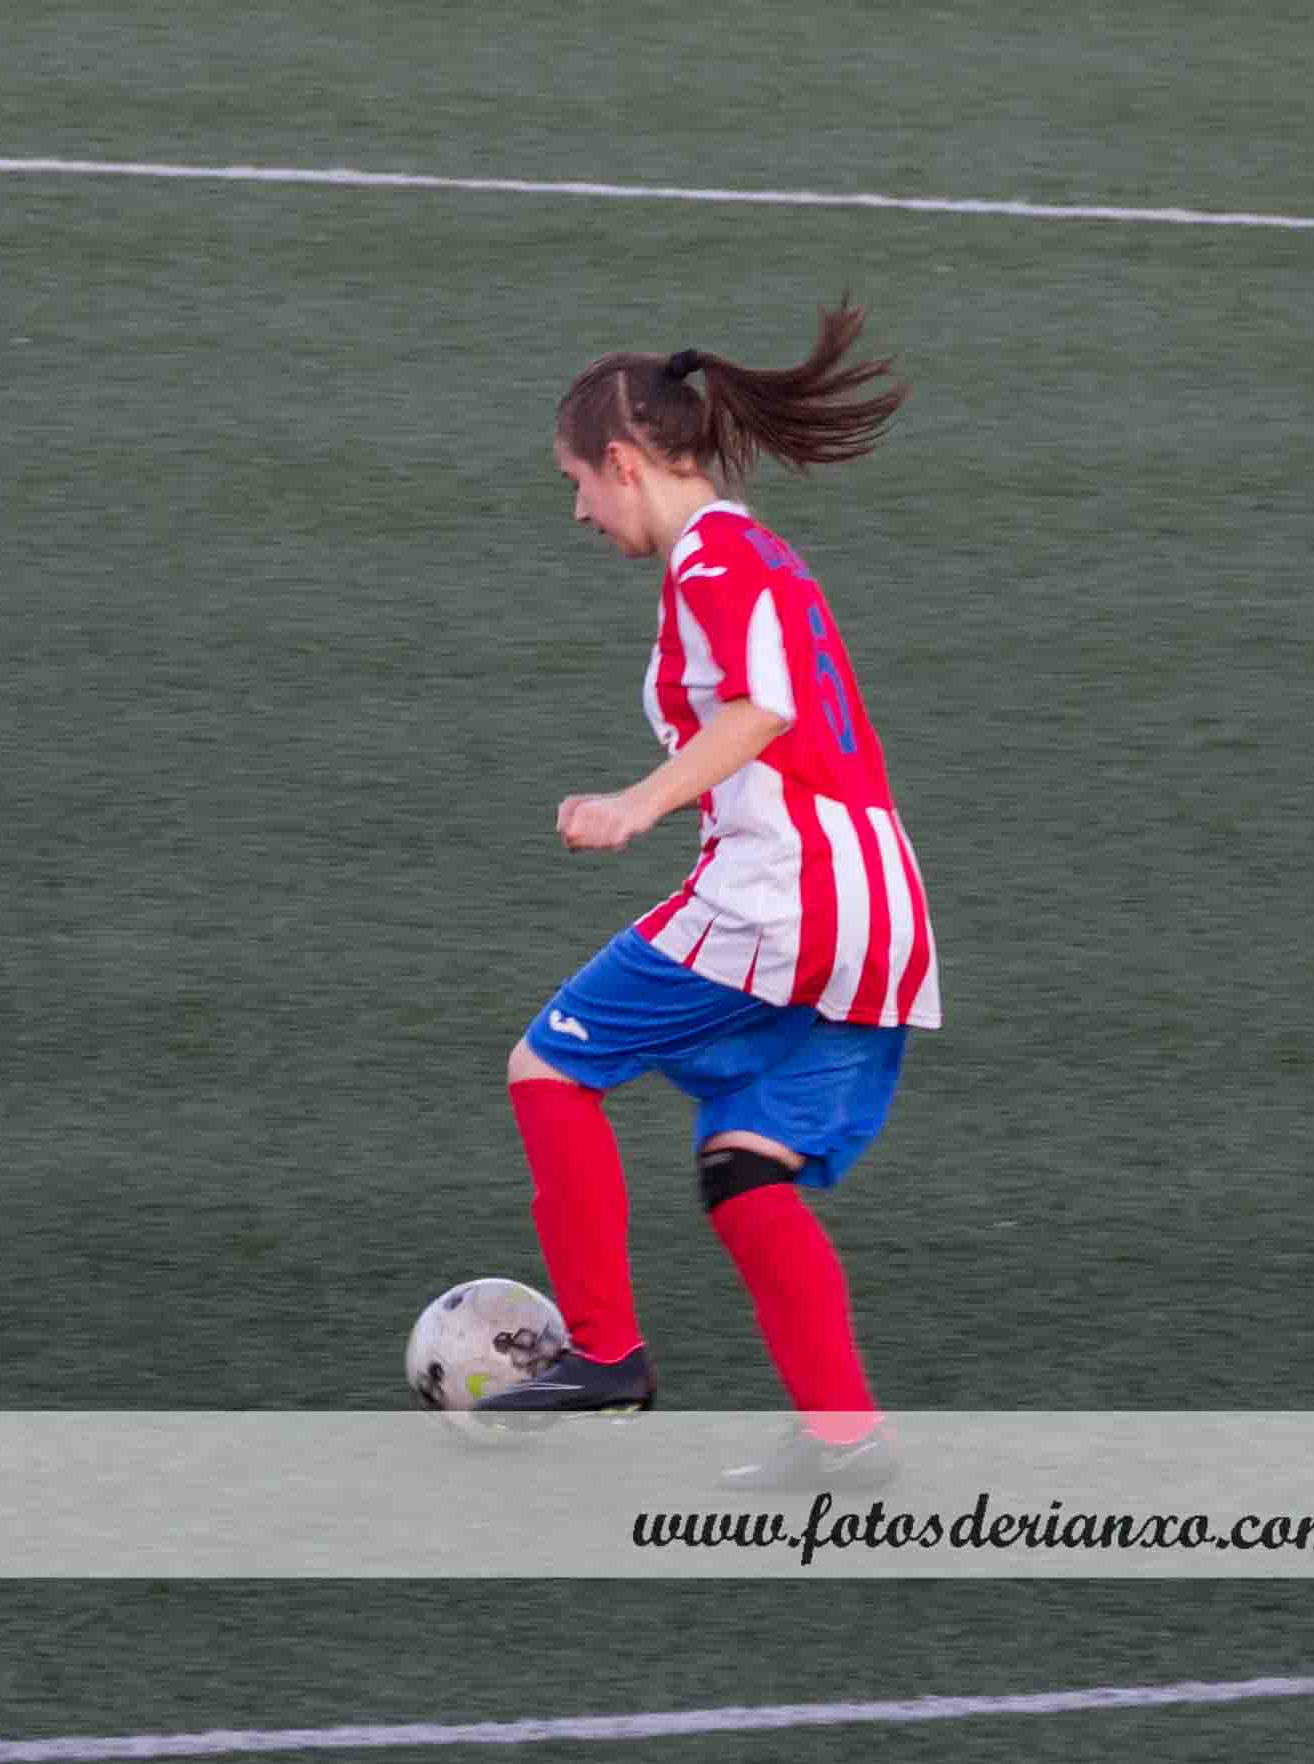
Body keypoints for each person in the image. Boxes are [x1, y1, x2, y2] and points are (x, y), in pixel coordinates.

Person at [472, 301, 941, 1490]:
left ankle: (605, 1354)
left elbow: (763, 705)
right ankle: (845, 1438)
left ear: (624, 462)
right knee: (744, 1170)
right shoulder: (758, 554)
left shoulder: (713, 559)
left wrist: (635, 803)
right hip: (879, 906)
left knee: (549, 1064)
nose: (580, 510)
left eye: (579, 482)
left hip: (787, 893)